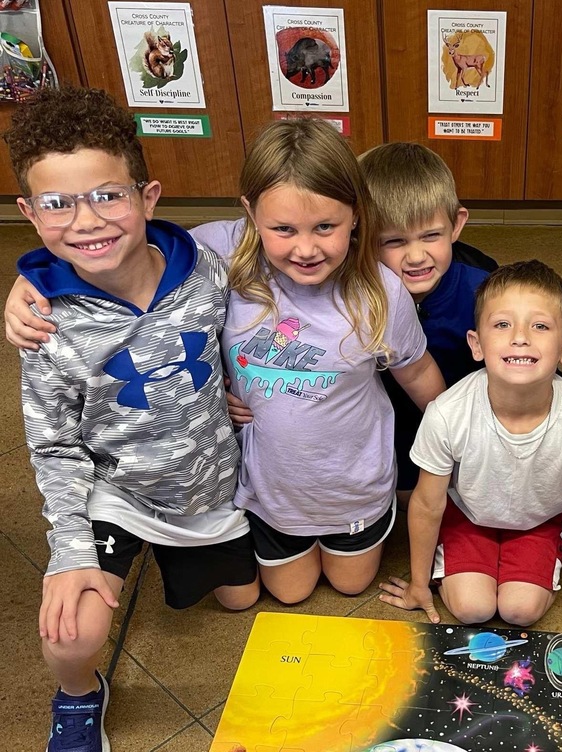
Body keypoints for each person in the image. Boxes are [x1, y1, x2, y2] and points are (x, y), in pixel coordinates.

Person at [5, 86, 260, 752]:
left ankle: (184, 557)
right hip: (117, 494)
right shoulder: (45, 326)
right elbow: (53, 444)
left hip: (209, 486)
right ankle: (79, 698)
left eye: (107, 195)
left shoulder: (207, 266)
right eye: (58, 204)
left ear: (148, 196)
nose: (86, 221)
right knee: (70, 632)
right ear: (29, 214)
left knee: (243, 600)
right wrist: (69, 551)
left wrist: (233, 393)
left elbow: (265, 283)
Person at [189, 121, 445, 604]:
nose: (305, 249)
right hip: (271, 490)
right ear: (250, 215)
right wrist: (38, 285)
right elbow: (130, 255)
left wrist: (466, 445)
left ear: (356, 214)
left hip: (354, 487)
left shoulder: (381, 293)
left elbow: (419, 374)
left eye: (325, 226)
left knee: (350, 585)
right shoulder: (220, 253)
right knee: (290, 593)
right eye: (283, 229)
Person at [378, 261, 562, 636]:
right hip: (467, 516)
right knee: (471, 608)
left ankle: (533, 560)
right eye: (502, 324)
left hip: (539, 522)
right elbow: (428, 502)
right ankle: (461, 565)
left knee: (520, 609)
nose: (520, 337)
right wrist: (418, 584)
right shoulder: (448, 412)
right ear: (476, 345)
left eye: (540, 326)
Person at [359, 142, 497, 505]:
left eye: (431, 236)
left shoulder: (486, 290)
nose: (417, 256)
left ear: (456, 225)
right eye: (394, 241)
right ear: (362, 238)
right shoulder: (350, 294)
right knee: (408, 499)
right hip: (392, 422)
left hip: (474, 418)